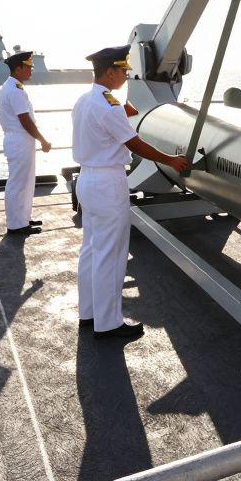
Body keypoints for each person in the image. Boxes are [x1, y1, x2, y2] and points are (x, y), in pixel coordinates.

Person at [72, 44, 190, 339]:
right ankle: (108, 324)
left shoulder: (85, 101)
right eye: (123, 71)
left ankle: (89, 313)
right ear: (110, 72)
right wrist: (170, 160)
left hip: (86, 180)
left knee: (91, 249)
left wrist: (121, 112)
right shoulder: (109, 106)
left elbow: (99, 126)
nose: (126, 76)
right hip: (107, 184)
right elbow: (135, 144)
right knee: (111, 255)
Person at [0, 51, 51, 236]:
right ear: (18, 68)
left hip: (21, 140)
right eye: (28, 67)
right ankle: (15, 225)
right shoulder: (15, 90)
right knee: (18, 183)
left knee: (26, 182)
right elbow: (25, 121)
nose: (31, 70)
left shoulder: (12, 87)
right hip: (20, 139)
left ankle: (23, 219)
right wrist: (43, 140)